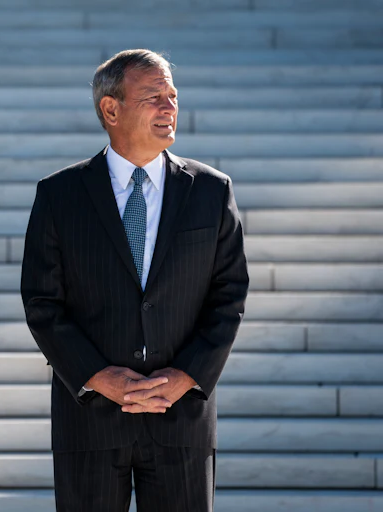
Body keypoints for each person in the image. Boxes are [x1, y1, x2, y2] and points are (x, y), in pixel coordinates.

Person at [20, 49, 249, 512]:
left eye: (173, 96)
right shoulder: (59, 195)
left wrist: (186, 376)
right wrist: (98, 377)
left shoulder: (211, 190)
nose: (169, 108)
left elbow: (229, 296)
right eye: (153, 97)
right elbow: (42, 301)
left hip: (181, 417)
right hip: (90, 420)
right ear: (111, 109)